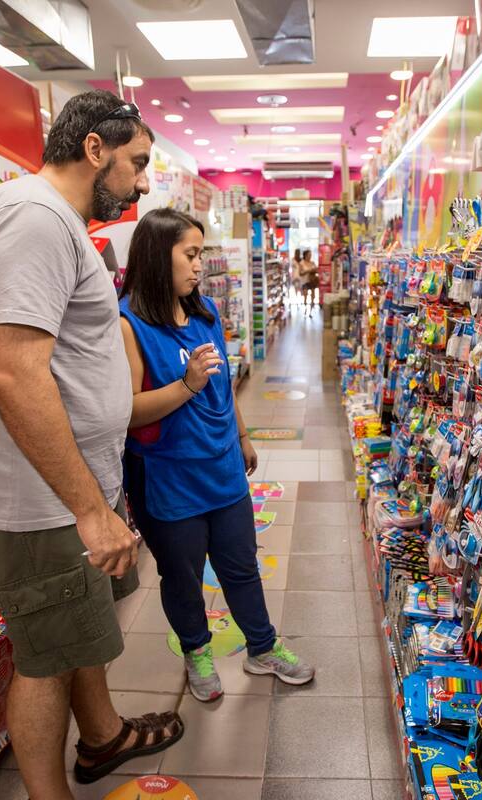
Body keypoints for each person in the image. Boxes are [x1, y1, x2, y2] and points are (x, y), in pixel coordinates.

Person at [0, 91, 183, 800]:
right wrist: (89, 509)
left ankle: (104, 736)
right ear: (93, 149)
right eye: (137, 162)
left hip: (62, 484)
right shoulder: (34, 218)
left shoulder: (51, 219)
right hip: (41, 497)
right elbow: (14, 369)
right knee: (45, 658)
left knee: (76, 630)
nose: (143, 182)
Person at [118, 208, 316, 702]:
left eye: (201, 253)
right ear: (155, 257)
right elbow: (126, 412)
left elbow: (222, 389)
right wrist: (186, 386)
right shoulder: (128, 325)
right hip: (168, 476)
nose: (199, 264)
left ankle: (262, 647)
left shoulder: (204, 315)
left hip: (222, 466)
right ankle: (196, 651)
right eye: (190, 254)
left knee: (240, 564)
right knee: (182, 575)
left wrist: (243, 436)